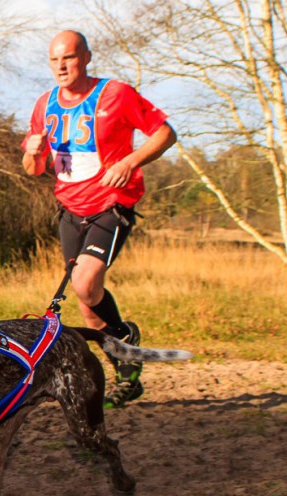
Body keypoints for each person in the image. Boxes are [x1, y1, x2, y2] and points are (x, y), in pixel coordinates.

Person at [22, 29, 176, 406]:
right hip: (70, 209)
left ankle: (125, 335)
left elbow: (166, 133)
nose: (61, 65)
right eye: (55, 59)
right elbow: (33, 168)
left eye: (70, 57)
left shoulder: (115, 94)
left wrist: (130, 161)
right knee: (88, 305)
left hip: (111, 203)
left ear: (87, 58)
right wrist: (32, 151)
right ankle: (126, 370)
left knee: (85, 281)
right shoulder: (44, 104)